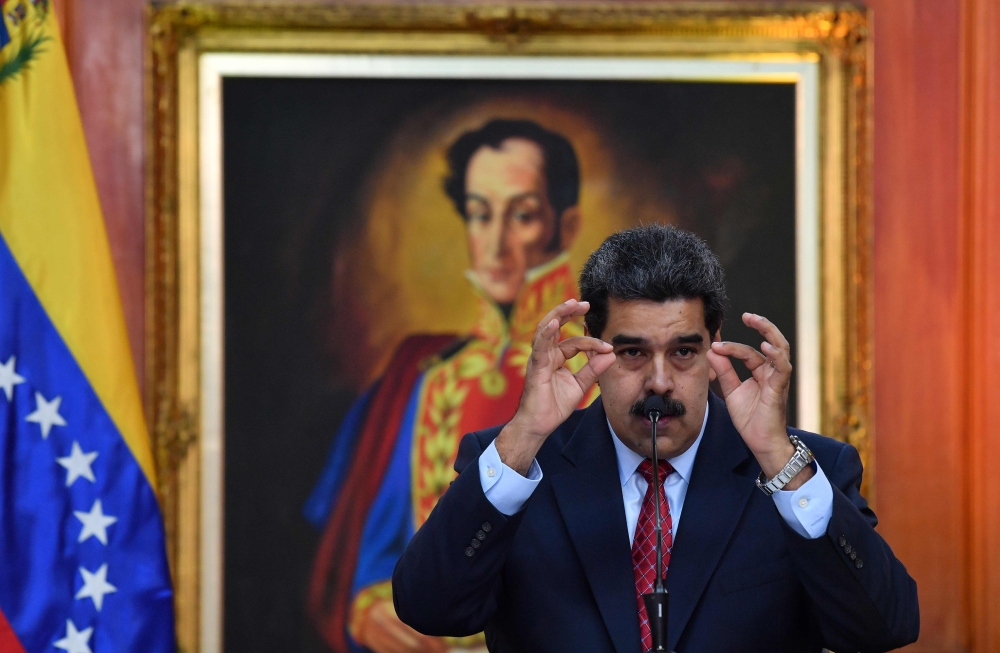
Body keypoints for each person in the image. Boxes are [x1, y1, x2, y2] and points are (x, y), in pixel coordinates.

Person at [392, 224, 920, 652]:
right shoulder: (518, 466)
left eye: (684, 352)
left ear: (716, 346)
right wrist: (524, 436)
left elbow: (885, 627)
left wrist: (778, 458)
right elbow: (429, 608)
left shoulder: (807, 469)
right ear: (593, 349)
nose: (660, 381)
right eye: (633, 353)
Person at [304, 119, 597, 653]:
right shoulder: (421, 379)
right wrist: (370, 611)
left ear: (567, 224)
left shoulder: (608, 372)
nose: (496, 242)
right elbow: (372, 562)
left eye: (523, 215)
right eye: (480, 214)